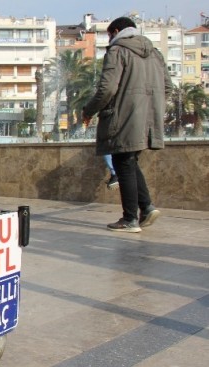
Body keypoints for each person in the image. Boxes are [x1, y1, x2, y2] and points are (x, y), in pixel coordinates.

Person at [82, 17, 172, 233]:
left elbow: (107, 89)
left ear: (115, 31)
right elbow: (168, 87)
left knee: (122, 161)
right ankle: (147, 207)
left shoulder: (117, 51)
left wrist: (88, 110)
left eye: (109, 35)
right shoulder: (155, 53)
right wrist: (151, 106)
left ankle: (130, 218)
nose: (109, 39)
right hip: (148, 119)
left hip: (123, 117)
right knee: (129, 161)